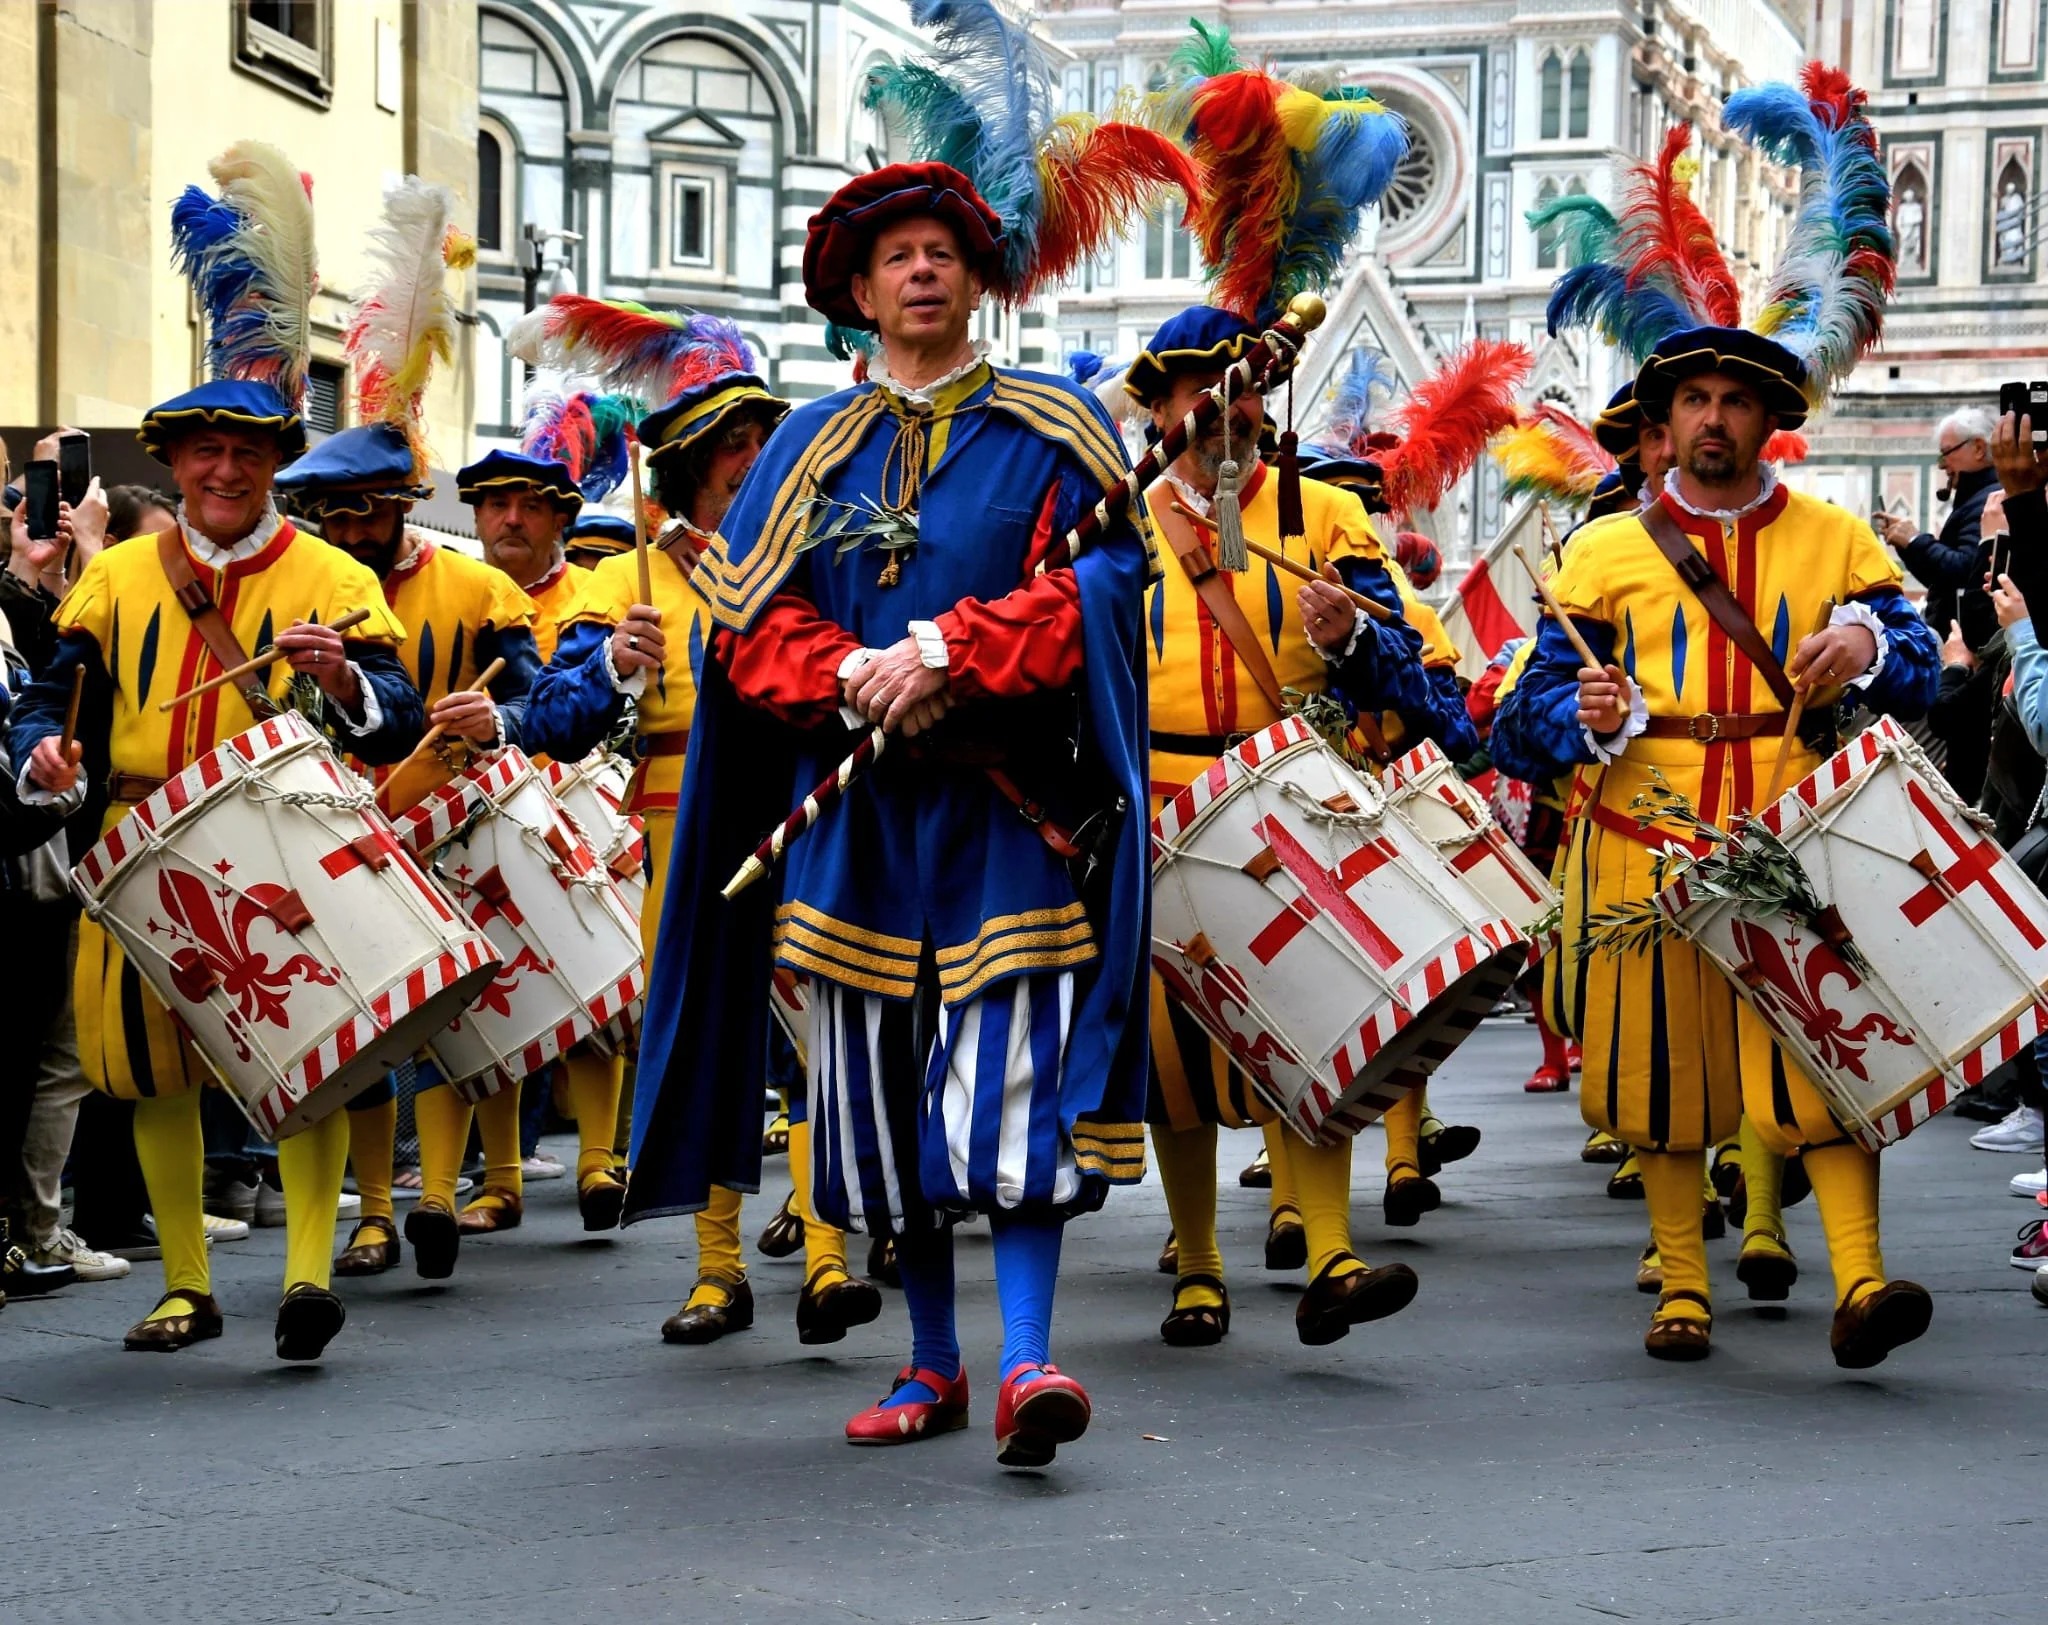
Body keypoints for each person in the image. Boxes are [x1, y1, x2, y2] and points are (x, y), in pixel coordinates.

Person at [625, 161, 1153, 1466]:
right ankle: (931, 1365)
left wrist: (952, 648)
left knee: (1012, 1089)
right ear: (857, 293)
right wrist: (851, 674)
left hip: (1004, 815)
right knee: (880, 1102)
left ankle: (1029, 1359)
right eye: (894, 258)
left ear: (977, 279)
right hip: (854, 831)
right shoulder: (807, 446)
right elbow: (747, 626)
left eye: (943, 253)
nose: (921, 271)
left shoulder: (1057, 432)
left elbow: (1108, 587)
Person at [1492, 323, 1941, 1365]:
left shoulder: (1832, 537)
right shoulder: (1600, 552)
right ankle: (1681, 1284)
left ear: (1766, 421)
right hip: (1643, 848)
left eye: (1731, 401)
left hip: (1793, 845)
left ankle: (1862, 1281)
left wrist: (1868, 640)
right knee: (1660, 1072)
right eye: (1691, 399)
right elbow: (1515, 720)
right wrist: (1586, 712)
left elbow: (1918, 656)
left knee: (1822, 1061)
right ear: (1664, 423)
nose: (1710, 417)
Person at [523, 320, 881, 1345]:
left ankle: (826, 1263)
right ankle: (717, 1272)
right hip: (680, 833)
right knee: (707, 1042)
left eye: (762, 437)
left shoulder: (818, 560)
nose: (751, 456)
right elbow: (556, 719)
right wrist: (614, 669)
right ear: (684, 468)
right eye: (730, 443)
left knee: (822, 1041)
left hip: (811, 819)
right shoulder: (621, 578)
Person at [1133, 305, 1458, 1349]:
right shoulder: (1114, 521)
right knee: (1174, 1056)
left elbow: (1406, 668)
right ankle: (1195, 1265)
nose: (1224, 412)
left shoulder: (1322, 513)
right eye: (1197, 392)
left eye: (1241, 390)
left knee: (1313, 1027)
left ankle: (1331, 1255)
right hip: (1161, 801)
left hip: (1294, 790)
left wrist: (1351, 632)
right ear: (1159, 408)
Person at [275, 302, 542, 1281]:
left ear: (402, 502)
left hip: (453, 822)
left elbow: (539, 692)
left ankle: (434, 1195)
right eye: (333, 513)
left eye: (367, 510)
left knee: (447, 1018)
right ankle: (376, 1211)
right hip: (338, 825)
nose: (348, 529)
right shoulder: (299, 587)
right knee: (356, 1028)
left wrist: (502, 723)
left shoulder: (475, 589)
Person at [433, 445, 626, 1246]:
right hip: (477, 816)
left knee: (592, 986)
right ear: (474, 515)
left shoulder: (596, 594)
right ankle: (499, 1178)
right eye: (494, 504)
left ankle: (597, 1161)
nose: (510, 519)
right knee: (482, 996)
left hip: (579, 807)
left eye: (530, 505)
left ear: (560, 519)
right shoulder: (460, 594)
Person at [1874, 407, 1998, 654]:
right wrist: (1908, 546)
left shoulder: (1987, 501)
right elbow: (1942, 582)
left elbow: (1966, 571)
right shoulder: (1975, 498)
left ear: (1978, 448)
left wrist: (1916, 540)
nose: (1942, 465)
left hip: (1967, 646)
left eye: (1946, 454)